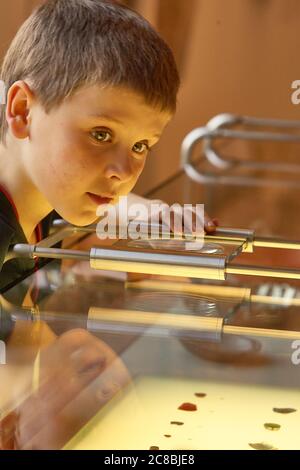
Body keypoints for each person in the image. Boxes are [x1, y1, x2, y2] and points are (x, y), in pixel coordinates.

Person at [0, 0, 217, 292]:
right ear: (24, 111)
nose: (123, 172)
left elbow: (107, 206)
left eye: (140, 146)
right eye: (101, 135)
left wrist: (151, 212)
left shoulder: (47, 192)